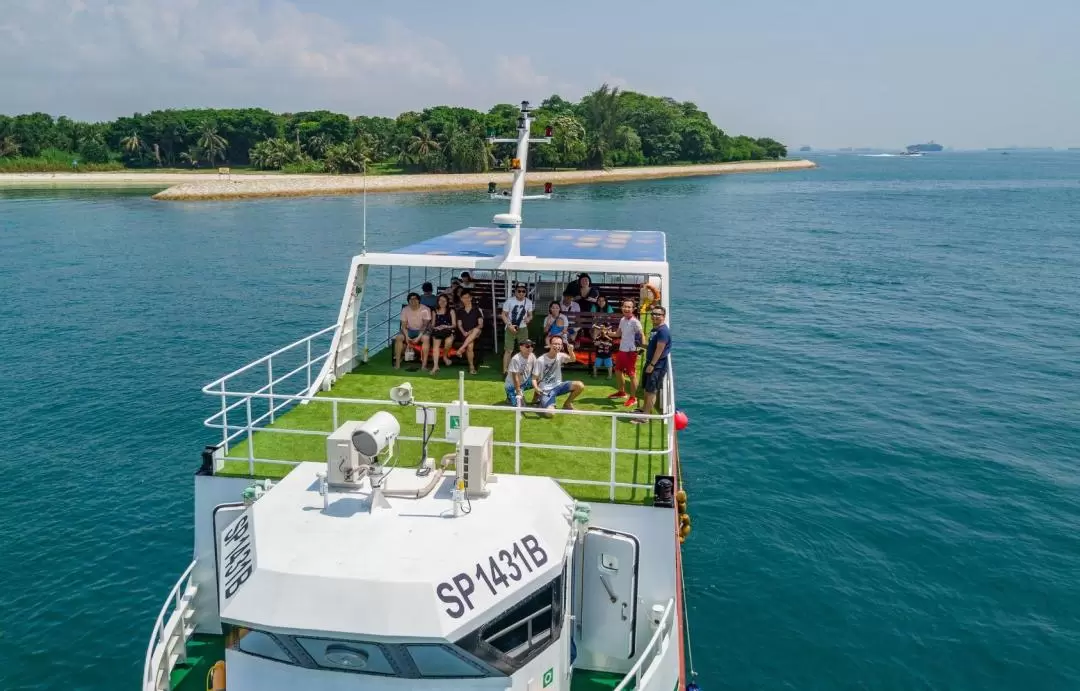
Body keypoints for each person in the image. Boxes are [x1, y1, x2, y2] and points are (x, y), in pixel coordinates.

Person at [632, 306, 672, 424]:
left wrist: (652, 364)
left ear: (663, 317)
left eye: (658, 314)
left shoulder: (663, 331)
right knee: (646, 388)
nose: (655, 316)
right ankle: (644, 410)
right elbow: (652, 346)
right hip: (650, 362)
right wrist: (641, 345)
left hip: (657, 365)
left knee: (651, 391)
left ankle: (645, 417)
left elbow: (660, 349)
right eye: (653, 314)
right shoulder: (655, 330)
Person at [533, 335, 585, 414]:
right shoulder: (540, 360)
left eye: (559, 344)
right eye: (555, 344)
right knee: (550, 414)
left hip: (558, 386)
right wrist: (536, 389)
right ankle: (542, 403)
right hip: (547, 390)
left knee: (580, 385)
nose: (557, 346)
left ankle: (567, 404)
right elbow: (534, 378)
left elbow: (573, 359)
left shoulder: (560, 355)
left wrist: (571, 351)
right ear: (549, 345)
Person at [610, 298, 644, 408]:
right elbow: (618, 334)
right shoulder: (622, 320)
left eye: (629, 307)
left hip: (631, 351)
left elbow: (641, 335)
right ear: (622, 308)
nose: (626, 309)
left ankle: (633, 398)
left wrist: (641, 347)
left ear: (633, 309)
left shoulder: (635, 322)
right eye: (625, 306)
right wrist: (606, 332)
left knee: (632, 375)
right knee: (618, 371)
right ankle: (622, 392)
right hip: (622, 350)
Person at [393, 292, 432, 370]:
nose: (413, 301)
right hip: (409, 330)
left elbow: (425, 326)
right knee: (399, 337)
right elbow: (403, 326)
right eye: (411, 299)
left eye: (415, 299)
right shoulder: (405, 309)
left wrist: (418, 338)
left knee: (426, 339)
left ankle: (424, 365)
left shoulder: (425, 309)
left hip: (422, 330)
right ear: (408, 301)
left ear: (419, 300)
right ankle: (397, 363)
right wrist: (407, 337)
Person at [501, 283, 534, 374]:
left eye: (523, 291)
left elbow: (531, 315)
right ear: (515, 291)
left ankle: (523, 370)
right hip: (510, 327)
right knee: (508, 350)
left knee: (525, 349)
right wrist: (509, 325)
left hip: (523, 328)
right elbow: (503, 314)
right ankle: (505, 371)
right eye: (519, 291)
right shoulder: (509, 301)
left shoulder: (529, 302)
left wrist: (528, 318)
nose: (521, 293)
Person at [455, 289, 484, 374]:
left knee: (476, 330)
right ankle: (471, 367)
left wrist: (470, 331)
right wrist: (464, 332)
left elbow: (480, 325)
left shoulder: (477, 310)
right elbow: (459, 325)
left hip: (476, 333)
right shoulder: (460, 311)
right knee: (470, 345)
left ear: (471, 298)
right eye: (464, 298)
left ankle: (461, 349)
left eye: (468, 297)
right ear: (461, 299)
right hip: (465, 333)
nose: (466, 299)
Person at [504, 339, 538, 406]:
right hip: (512, 385)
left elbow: (537, 370)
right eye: (527, 346)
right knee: (521, 406)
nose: (530, 348)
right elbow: (515, 377)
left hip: (525, 382)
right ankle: (510, 396)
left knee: (541, 379)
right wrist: (518, 391)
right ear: (521, 347)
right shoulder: (515, 359)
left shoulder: (532, 356)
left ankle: (536, 400)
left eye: (532, 346)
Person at [430, 293, 457, 375]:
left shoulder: (451, 311)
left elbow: (454, 325)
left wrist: (445, 326)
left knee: (448, 341)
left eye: (444, 301)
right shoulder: (434, 311)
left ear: (447, 302)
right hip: (438, 331)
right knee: (436, 346)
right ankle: (435, 366)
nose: (442, 302)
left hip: (448, 330)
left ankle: (445, 356)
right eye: (440, 300)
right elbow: (432, 324)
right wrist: (436, 328)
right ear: (438, 301)